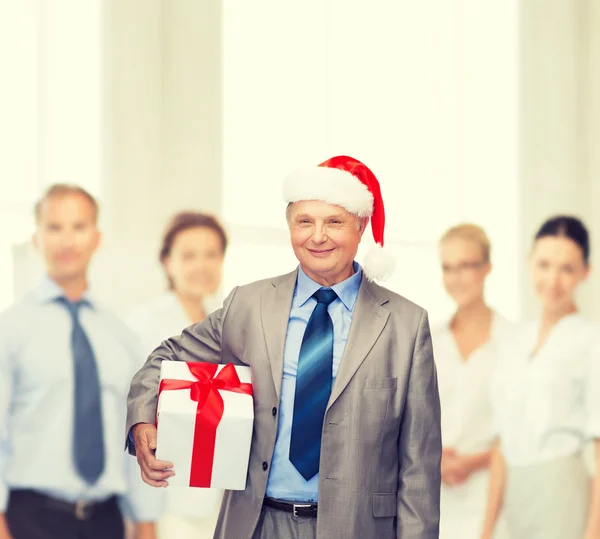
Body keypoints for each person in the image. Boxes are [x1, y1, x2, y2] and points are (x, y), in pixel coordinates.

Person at [126, 155, 442, 539]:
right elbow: (165, 359)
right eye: (304, 221)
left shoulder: (406, 325)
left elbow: (419, 471)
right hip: (257, 524)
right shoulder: (249, 304)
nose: (318, 236)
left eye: (334, 222)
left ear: (360, 227)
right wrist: (143, 418)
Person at [0, 185, 160, 539]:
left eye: (79, 227)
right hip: (29, 519)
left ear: (97, 237)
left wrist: (147, 522)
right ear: (36, 239)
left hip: (106, 520)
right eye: (54, 228)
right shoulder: (9, 329)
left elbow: (135, 435)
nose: (67, 241)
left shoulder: (122, 337)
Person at [480, 216, 600, 539]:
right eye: (544, 265)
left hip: (563, 494)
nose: (553, 279)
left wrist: (594, 532)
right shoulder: (514, 341)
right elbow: (501, 442)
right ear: (529, 263)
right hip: (516, 499)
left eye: (567, 269)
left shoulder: (591, 342)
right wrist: (487, 529)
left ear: (585, 273)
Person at [127, 211, 228, 538]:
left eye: (211, 254)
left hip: (221, 500)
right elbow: (130, 421)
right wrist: (145, 520)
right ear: (167, 261)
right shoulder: (142, 325)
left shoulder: (228, 321)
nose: (201, 265)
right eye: (188, 255)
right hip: (166, 504)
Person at [432, 224, 510, 539]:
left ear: (487, 268)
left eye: (466, 266)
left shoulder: (513, 342)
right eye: (448, 268)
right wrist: (434, 459)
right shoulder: (429, 341)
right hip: (433, 501)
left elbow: (518, 431)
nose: (456, 278)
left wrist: (473, 461)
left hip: (492, 501)